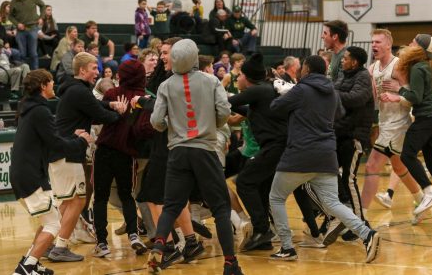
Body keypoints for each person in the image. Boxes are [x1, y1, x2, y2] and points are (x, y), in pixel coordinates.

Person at [268, 55, 381, 263]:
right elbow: (339, 114)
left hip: (300, 154)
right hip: (327, 154)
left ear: (307, 70)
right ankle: (367, 234)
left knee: (276, 198)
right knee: (332, 202)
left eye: (303, 67)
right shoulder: (333, 92)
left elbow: (275, 108)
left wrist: (284, 93)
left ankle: (286, 247)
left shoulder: (301, 90)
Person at [147, 39, 244, 275]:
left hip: (178, 152)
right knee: (221, 208)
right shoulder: (211, 81)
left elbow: (156, 122)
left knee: (171, 206)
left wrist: (174, 124)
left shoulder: (166, 86)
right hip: (206, 151)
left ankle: (160, 246)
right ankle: (230, 264)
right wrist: (211, 125)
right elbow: (224, 112)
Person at [10, 69, 92, 275]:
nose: (53, 86)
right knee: (54, 224)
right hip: (30, 175)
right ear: (43, 86)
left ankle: (31, 262)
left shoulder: (29, 109)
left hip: (24, 172)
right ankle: (26, 268)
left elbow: (48, 137)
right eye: (51, 83)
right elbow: (55, 143)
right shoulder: (40, 111)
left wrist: (71, 137)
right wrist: (81, 142)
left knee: (49, 220)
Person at [47, 52, 127, 262]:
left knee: (66, 203)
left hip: (62, 153)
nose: (97, 71)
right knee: (78, 201)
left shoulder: (76, 89)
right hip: (69, 152)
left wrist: (110, 104)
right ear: (82, 70)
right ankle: (60, 247)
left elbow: (97, 105)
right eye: (93, 68)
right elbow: (101, 116)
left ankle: (50, 243)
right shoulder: (79, 92)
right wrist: (122, 113)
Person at [381, 33, 432, 230]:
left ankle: (428, 192)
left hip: (425, 118)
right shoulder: (431, 65)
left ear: (419, 48)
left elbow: (415, 97)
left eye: (413, 42)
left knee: (407, 155)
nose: (409, 44)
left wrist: (398, 90)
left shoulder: (418, 67)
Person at [360, 29, 424, 225]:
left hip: (399, 123)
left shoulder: (399, 66)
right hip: (385, 122)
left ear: (388, 44)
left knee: (371, 165)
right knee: (398, 166)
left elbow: (413, 98)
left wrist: (397, 96)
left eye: (378, 42)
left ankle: (359, 217)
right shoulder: (372, 69)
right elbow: (372, 100)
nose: (374, 46)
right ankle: (423, 199)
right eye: (372, 42)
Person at [228, 53, 287, 251]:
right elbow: (247, 110)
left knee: (245, 182)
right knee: (260, 188)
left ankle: (262, 229)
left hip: (275, 146)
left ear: (248, 77)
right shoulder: (262, 93)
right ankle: (264, 238)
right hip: (274, 147)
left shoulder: (260, 90)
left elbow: (231, 101)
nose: (238, 78)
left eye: (240, 75)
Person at [93, 60, 148, 257]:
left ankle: (102, 242)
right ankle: (134, 234)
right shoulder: (144, 98)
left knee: (100, 197)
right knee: (127, 196)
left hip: (105, 150)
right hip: (127, 153)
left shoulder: (112, 95)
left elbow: (97, 115)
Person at [325, 46, 374, 246]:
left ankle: (361, 225)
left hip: (355, 136)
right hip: (339, 134)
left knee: (350, 179)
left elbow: (357, 98)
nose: (342, 61)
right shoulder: (343, 76)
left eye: (345, 59)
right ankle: (346, 215)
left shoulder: (362, 76)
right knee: (331, 175)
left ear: (354, 61)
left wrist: (332, 95)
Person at [9, 0, 46, 70]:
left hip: (33, 28)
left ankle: (36, 73)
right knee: (22, 54)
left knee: (33, 53)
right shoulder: (13, 2)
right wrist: (17, 24)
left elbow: (43, 5)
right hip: (21, 31)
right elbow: (10, 16)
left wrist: (41, 17)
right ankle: (24, 73)